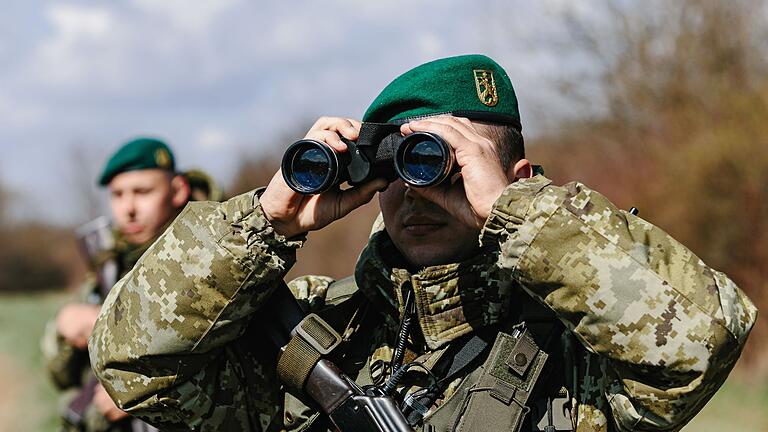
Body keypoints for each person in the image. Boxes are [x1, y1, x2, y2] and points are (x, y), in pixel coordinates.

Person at [89, 55, 757, 432]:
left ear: (515, 178)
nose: (417, 191)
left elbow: (699, 343)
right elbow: (129, 359)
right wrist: (267, 222)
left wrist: (510, 212)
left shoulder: (578, 352)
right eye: (397, 168)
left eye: (442, 162)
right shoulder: (310, 331)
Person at [42, 137, 222, 432]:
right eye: (117, 195)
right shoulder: (109, 264)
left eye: (142, 192)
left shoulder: (215, 255)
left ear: (177, 190)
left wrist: (140, 393)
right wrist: (66, 329)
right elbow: (61, 377)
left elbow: (238, 371)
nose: (128, 208)